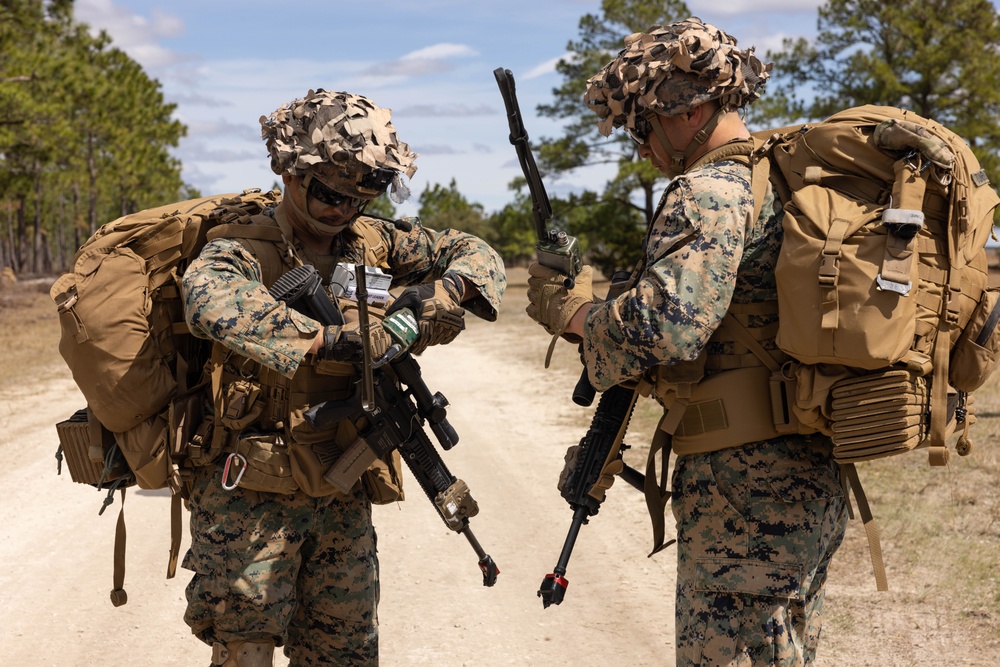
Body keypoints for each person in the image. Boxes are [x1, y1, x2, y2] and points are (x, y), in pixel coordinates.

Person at [525, 18, 848, 667]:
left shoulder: (709, 190)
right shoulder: (786, 186)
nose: (642, 146)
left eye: (643, 126)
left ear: (688, 111)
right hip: (807, 481)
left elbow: (667, 327)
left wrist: (574, 314)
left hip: (743, 500)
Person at [179, 88, 505, 666]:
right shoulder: (243, 245)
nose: (344, 208)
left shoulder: (370, 241)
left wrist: (440, 294)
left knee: (346, 652)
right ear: (291, 172)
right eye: (329, 192)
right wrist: (335, 339)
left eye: (366, 192)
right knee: (245, 651)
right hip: (251, 493)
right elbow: (210, 301)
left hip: (339, 484)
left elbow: (473, 250)